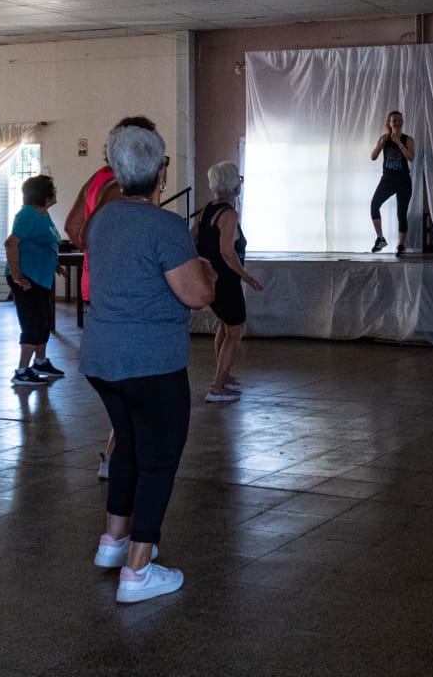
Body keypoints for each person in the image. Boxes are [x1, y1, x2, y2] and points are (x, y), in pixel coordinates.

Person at [82, 124, 215, 604]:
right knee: (158, 460)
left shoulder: (102, 220)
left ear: (117, 173)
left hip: (102, 358)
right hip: (151, 363)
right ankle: (138, 570)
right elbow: (196, 295)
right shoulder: (165, 226)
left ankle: (114, 540)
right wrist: (209, 274)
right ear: (161, 173)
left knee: (128, 448)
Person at [64, 116, 157, 478]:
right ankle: (117, 456)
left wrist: (96, 255)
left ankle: (117, 452)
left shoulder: (97, 177)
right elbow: (90, 229)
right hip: (121, 288)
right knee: (135, 379)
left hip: (98, 286)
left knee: (125, 379)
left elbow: (73, 227)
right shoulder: (120, 187)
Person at [194, 161, 264, 403]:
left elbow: (193, 238)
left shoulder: (206, 210)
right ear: (235, 186)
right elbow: (227, 251)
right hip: (226, 281)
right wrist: (246, 276)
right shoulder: (229, 215)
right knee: (235, 331)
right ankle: (217, 386)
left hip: (213, 279)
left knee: (225, 327)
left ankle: (223, 376)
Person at [4, 174, 65, 386]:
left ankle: (40, 362)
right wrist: (17, 276)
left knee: (44, 321)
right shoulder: (28, 214)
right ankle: (22, 371)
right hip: (27, 278)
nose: (55, 192)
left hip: (40, 276)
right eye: (52, 189)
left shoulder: (43, 214)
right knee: (33, 323)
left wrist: (55, 264)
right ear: (43, 193)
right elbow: (11, 243)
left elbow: (45, 244)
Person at [368, 110, 415, 254]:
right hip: (387, 180)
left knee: (401, 214)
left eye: (399, 120)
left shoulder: (408, 139)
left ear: (402, 122)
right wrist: (380, 145)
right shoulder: (384, 138)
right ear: (389, 123)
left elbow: (411, 157)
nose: (397, 122)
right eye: (394, 120)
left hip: (403, 181)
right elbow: (373, 157)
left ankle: (401, 245)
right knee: (374, 205)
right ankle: (380, 238)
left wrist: (398, 142)